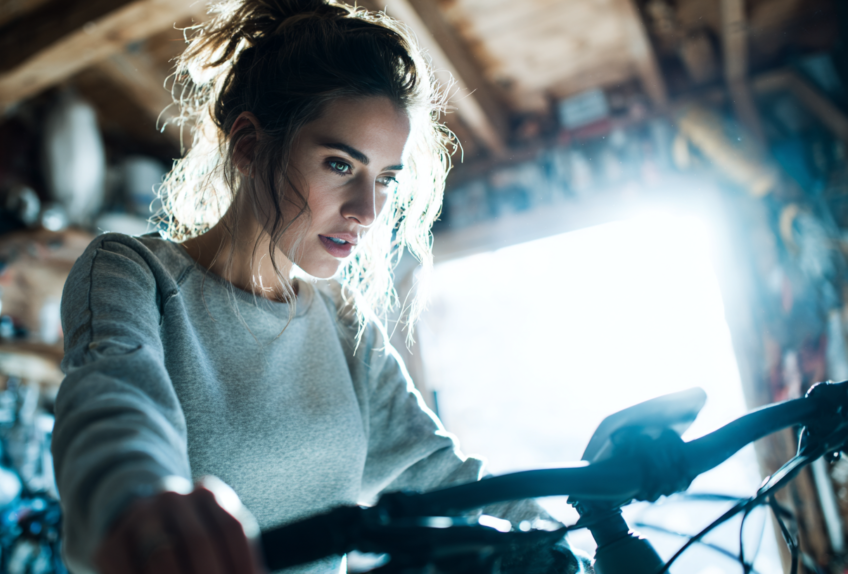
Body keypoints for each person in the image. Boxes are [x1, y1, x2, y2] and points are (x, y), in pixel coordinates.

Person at [51, 1, 589, 573]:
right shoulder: (134, 272)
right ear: (249, 145)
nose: (366, 210)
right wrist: (149, 504)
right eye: (340, 165)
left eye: (384, 179)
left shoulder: (345, 322)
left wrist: (559, 533)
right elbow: (114, 404)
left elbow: (441, 475)